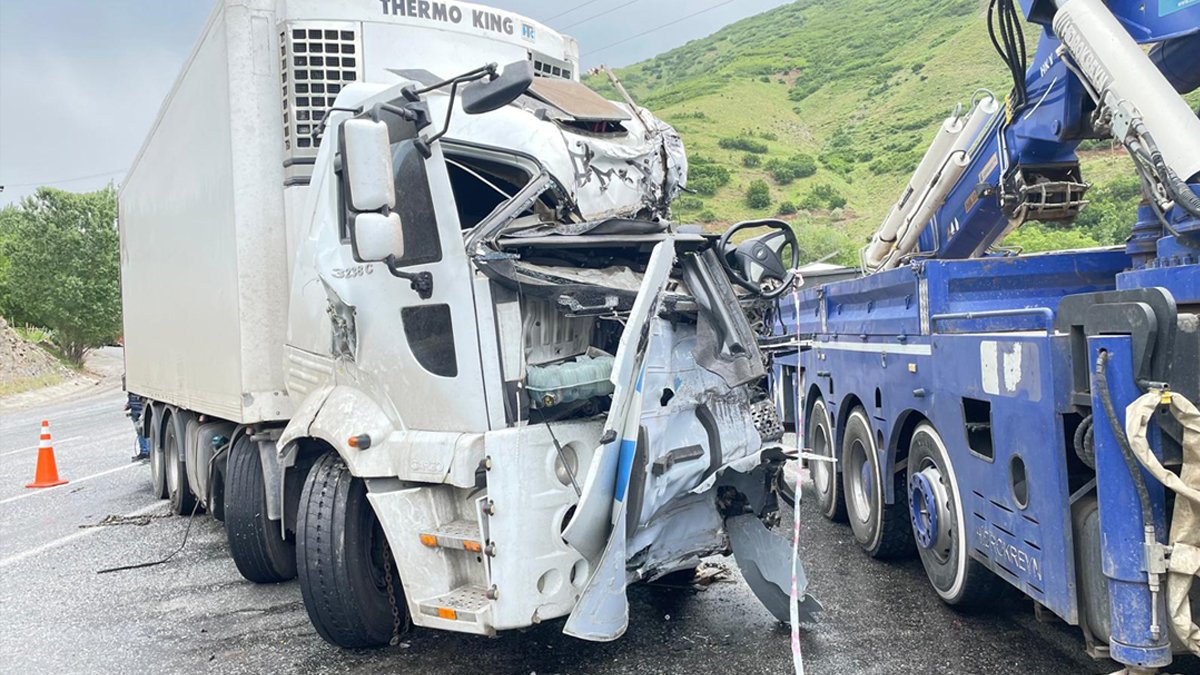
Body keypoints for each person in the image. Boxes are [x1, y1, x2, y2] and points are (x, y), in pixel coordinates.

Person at [124, 377, 150, 462]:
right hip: (135, 410)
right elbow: (130, 397)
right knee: (140, 432)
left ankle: (147, 451)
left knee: (144, 431)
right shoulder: (132, 386)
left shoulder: (141, 384)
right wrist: (128, 405)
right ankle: (144, 452)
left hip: (141, 410)